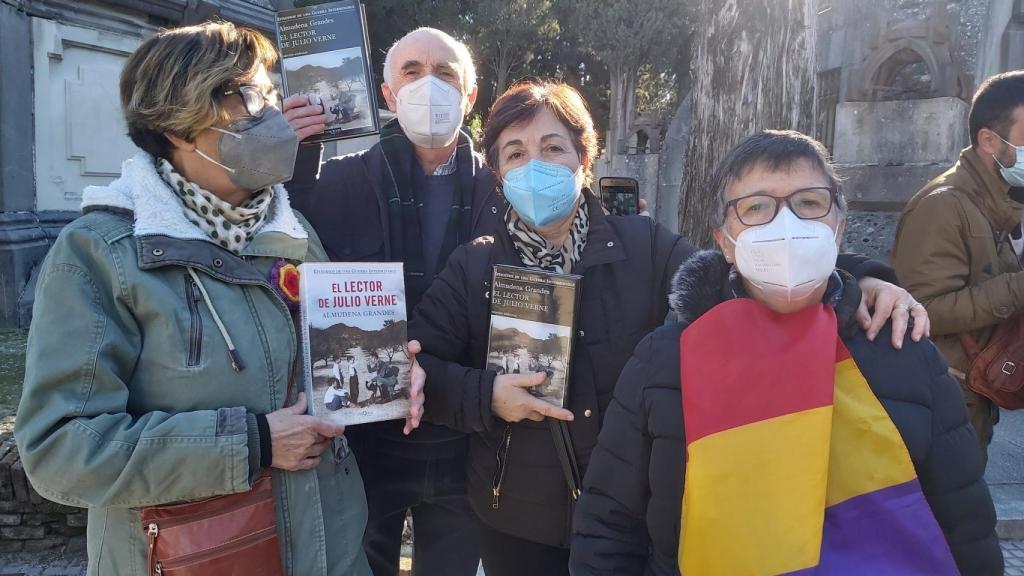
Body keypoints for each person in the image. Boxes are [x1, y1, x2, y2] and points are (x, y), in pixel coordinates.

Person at [410, 81, 929, 576]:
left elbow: (744, 273)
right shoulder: (473, 267)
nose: (535, 165)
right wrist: (487, 395)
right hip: (515, 519)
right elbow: (420, 370)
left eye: (553, 147)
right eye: (515, 153)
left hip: (629, 512)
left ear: (583, 161)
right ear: (497, 172)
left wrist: (862, 278)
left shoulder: (646, 247)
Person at [12, 22, 424, 576]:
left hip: (332, 548)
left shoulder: (293, 230)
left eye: (273, 96)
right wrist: (251, 443)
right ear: (178, 122)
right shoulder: (102, 254)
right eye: (252, 97)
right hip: (199, 557)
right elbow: (61, 449)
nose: (277, 116)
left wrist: (389, 375)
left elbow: (332, 369)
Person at [571, 130, 1002, 576]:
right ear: (724, 239)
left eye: (809, 203)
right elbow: (609, 529)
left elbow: (964, 527)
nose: (787, 225)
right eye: (757, 208)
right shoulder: (666, 361)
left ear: (839, 225)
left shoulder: (901, 349)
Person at [283, 27, 498, 576]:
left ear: (470, 95)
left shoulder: (503, 192)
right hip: (365, 441)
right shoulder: (336, 182)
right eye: (412, 71)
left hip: (465, 438)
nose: (430, 84)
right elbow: (280, 236)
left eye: (447, 73)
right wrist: (289, 153)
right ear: (386, 94)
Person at [893, 70, 1024, 464]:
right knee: (950, 518)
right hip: (946, 400)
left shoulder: (1000, 198)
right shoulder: (943, 205)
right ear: (989, 141)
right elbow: (920, 309)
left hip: (978, 393)